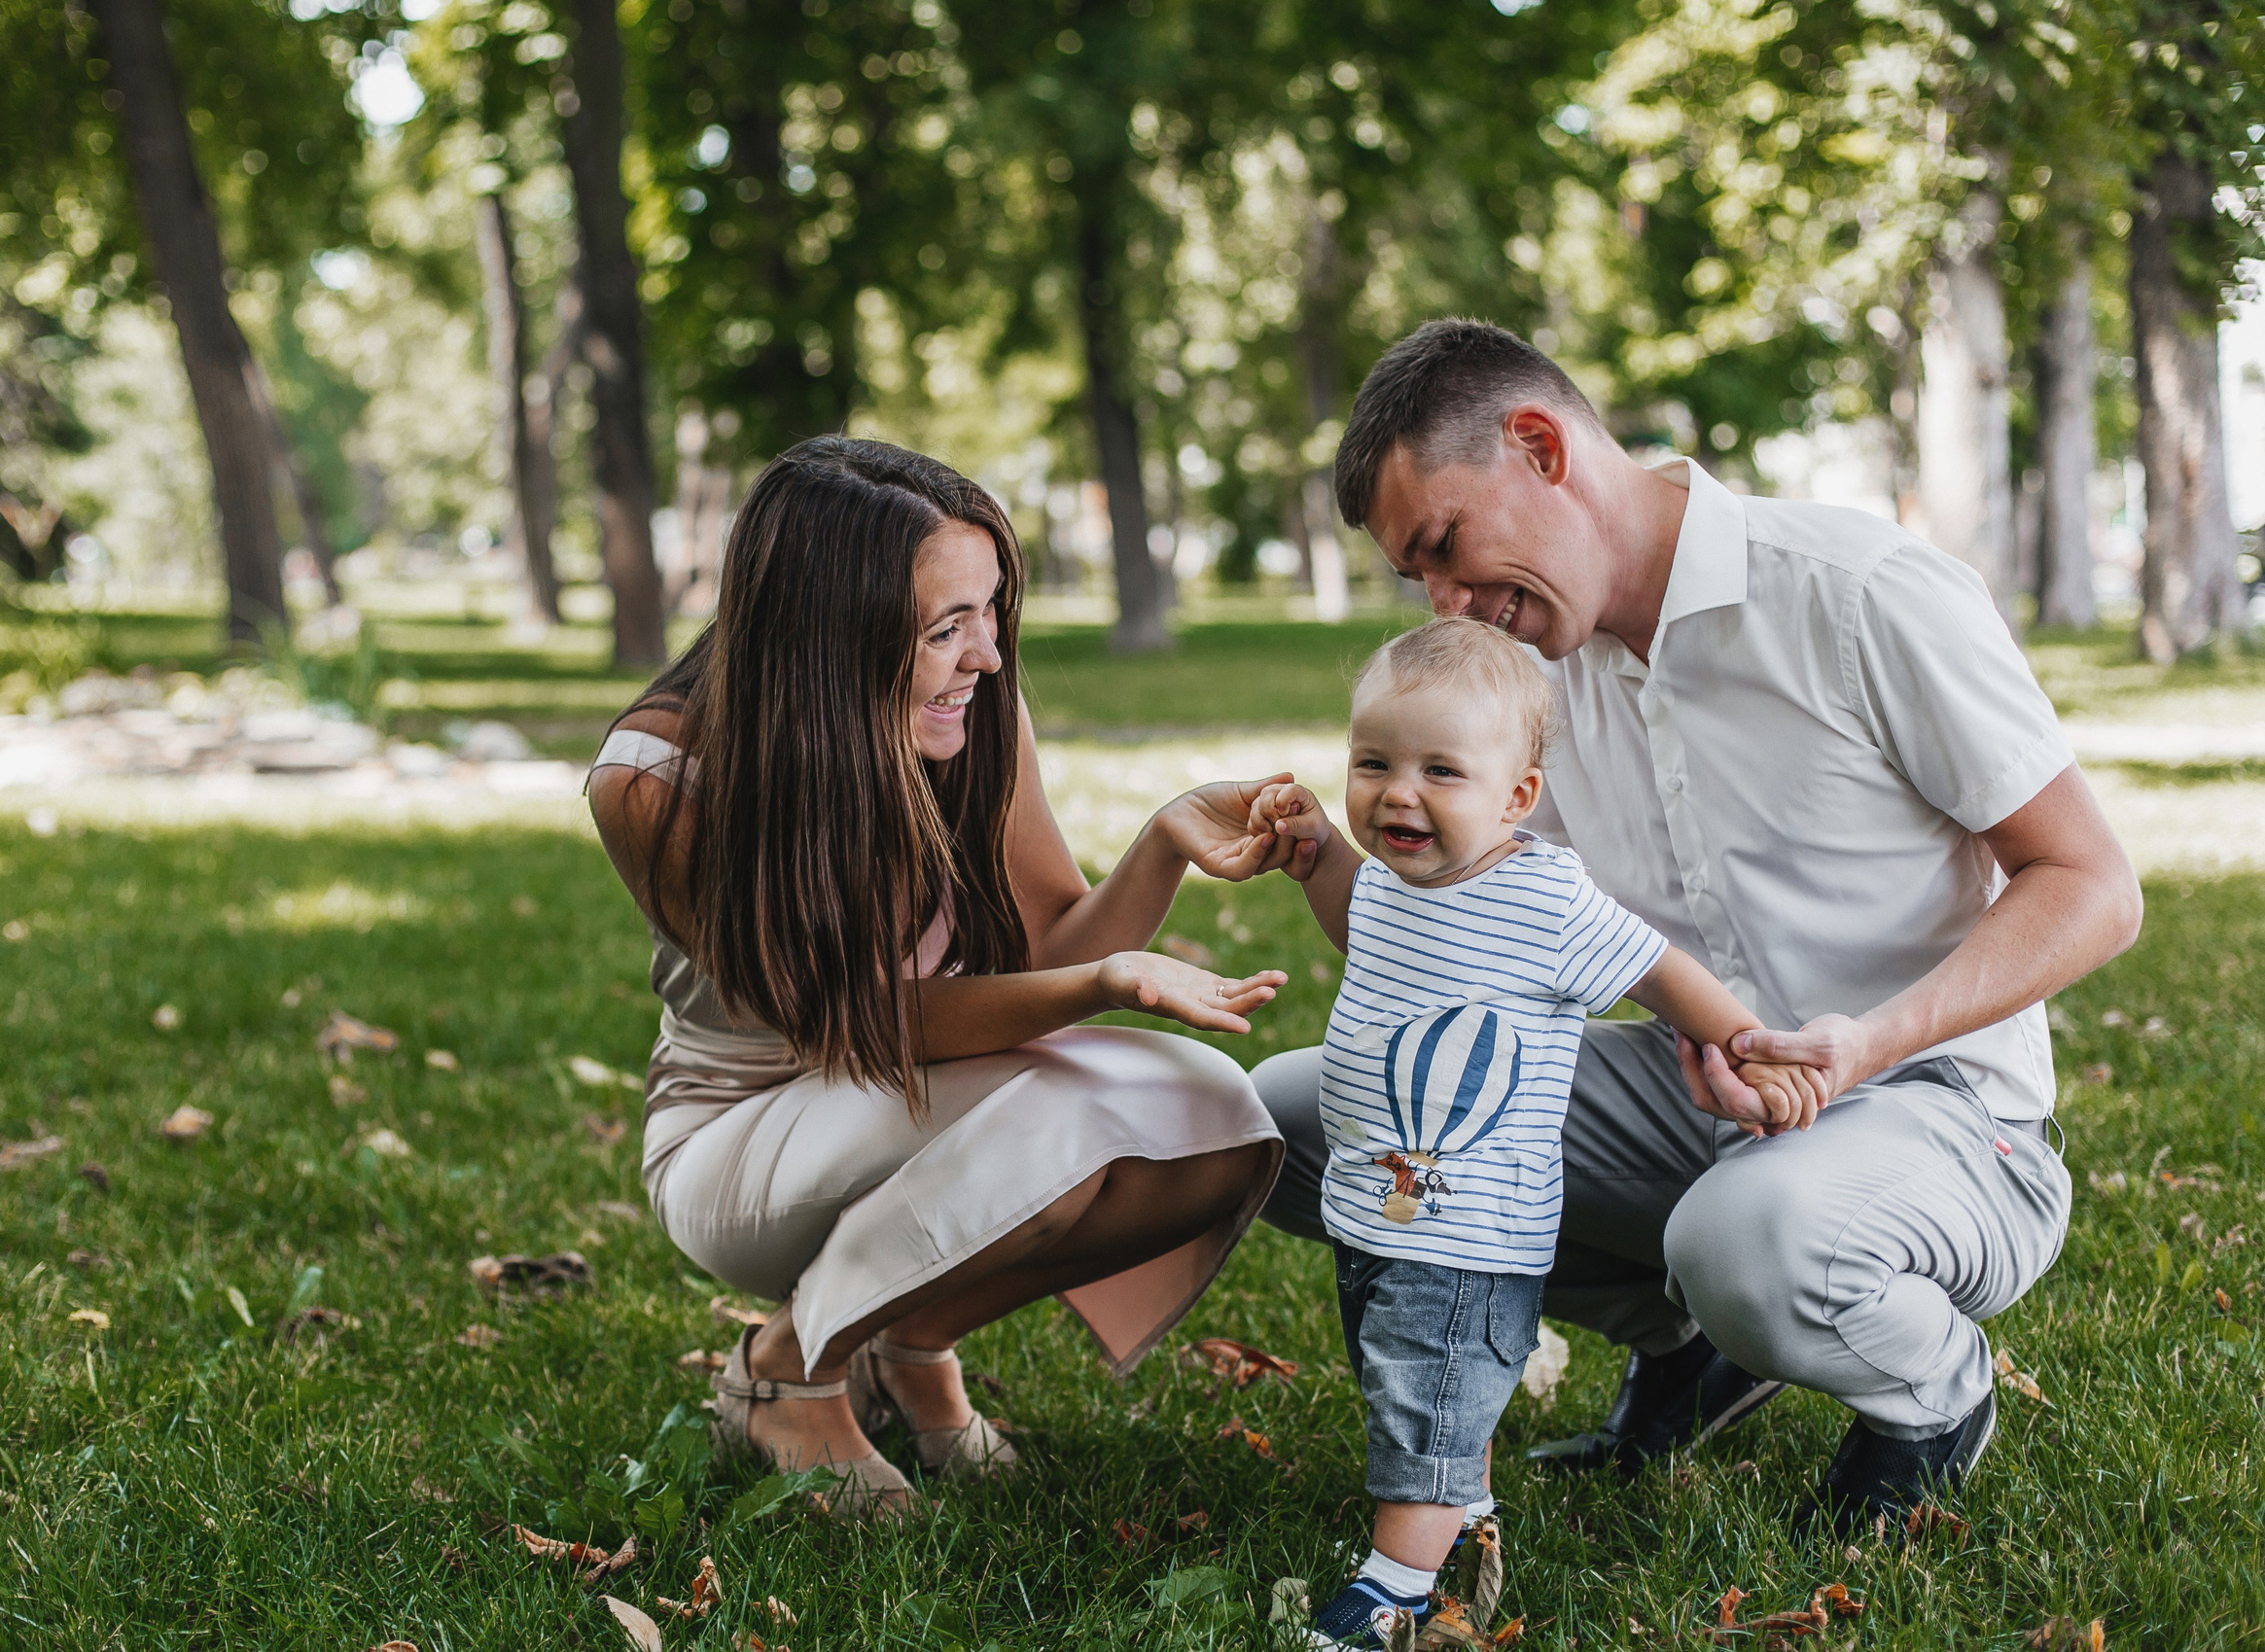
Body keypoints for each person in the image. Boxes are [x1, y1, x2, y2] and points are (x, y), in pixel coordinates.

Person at [1254, 319, 2141, 1536]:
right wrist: (1318, 850)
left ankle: (1933, 1393)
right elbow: (1474, 933)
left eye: (1446, 548)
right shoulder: (1530, 682)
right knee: (1300, 1116)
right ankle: (1682, 1341)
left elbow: (2091, 883)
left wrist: (1869, 1042)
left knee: (1750, 1237)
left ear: (1539, 447)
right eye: (1421, 580)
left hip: (1943, 1112)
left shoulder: (1857, 593)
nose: (1449, 603)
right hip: (1698, 1098)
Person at [587, 437, 1298, 1517]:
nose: (988, 659)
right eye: (944, 628)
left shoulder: (969, 718)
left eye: (990, 614)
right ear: (830, 633)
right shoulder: (657, 780)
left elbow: (1047, 943)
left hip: (919, 1094)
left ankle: (908, 1341)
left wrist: (1160, 846)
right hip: (741, 1138)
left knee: (1215, 1118)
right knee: (1061, 1117)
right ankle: (789, 1369)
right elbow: (860, 1025)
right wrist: (1102, 986)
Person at [1245, 618, 1825, 1647]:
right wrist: (1318, 860)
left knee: (1426, 1395)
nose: (1396, 793)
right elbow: (1369, 929)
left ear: (1514, 797)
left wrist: (1740, 1041)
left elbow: (1655, 969)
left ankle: (1393, 1587)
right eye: (1370, 762)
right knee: (1401, 1378)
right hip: (1379, 1208)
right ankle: (1460, 1516)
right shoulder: (1392, 876)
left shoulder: (1542, 896)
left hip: (1469, 1232)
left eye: (1438, 771)